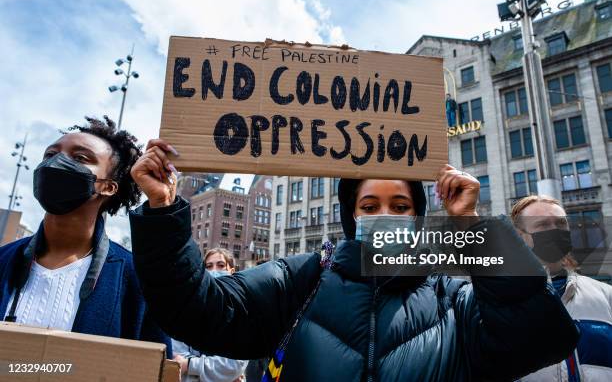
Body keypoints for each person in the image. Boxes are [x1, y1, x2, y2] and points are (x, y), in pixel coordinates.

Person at [129, 138, 579, 381]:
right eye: (369, 206)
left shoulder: (452, 296)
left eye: (400, 207)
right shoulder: (300, 279)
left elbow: (539, 339)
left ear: (417, 218)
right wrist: (165, 211)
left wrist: (474, 227)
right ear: (352, 216)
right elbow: (195, 308)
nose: (384, 217)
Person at [0, 116, 171, 356]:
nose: (56, 163)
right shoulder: (3, 260)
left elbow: (156, 366)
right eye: (50, 155)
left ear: (109, 186)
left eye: (80, 158)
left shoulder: (136, 279)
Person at [511, 195, 612, 382]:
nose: (555, 231)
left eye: (561, 223)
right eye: (542, 224)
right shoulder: (499, 302)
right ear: (519, 236)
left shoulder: (606, 295)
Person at [173, 248, 248, 382]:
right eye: (208, 266)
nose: (214, 270)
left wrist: (190, 365)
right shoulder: (186, 310)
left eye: (220, 265)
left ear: (231, 271)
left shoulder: (242, 312)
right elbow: (177, 360)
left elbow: (234, 365)